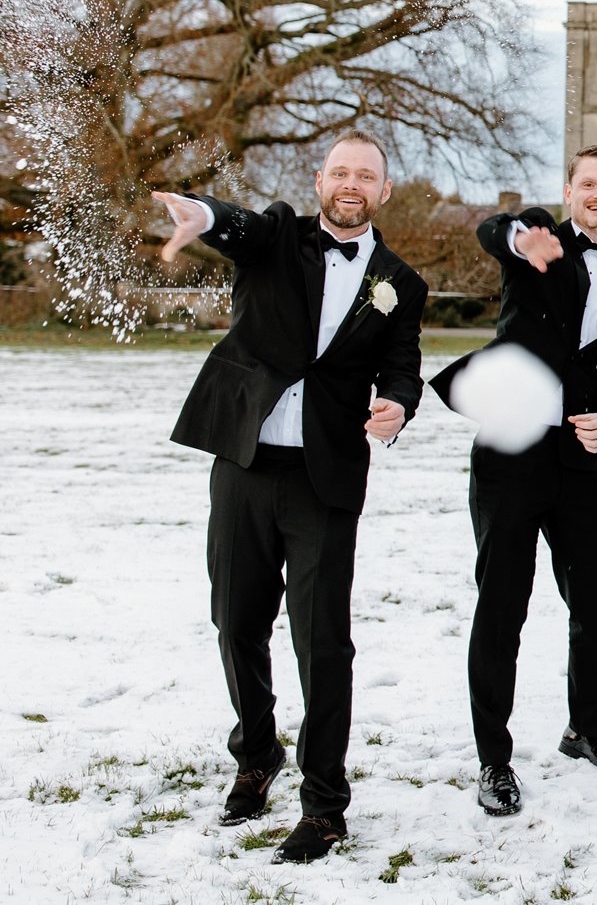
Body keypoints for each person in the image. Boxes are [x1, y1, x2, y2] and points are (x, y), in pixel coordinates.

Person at [154, 131, 426, 863]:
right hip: (244, 461)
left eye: (365, 176)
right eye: (340, 171)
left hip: (325, 478)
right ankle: (256, 754)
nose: (351, 184)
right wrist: (202, 217)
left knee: (322, 641)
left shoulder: (400, 281)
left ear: (383, 191)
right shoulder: (278, 237)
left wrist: (399, 405)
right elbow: (236, 225)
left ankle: (324, 806)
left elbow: (404, 369)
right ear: (319, 179)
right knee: (237, 620)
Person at [429, 145, 597, 817]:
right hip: (513, 454)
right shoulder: (535, 242)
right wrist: (518, 236)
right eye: (588, 183)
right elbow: (492, 230)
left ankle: (589, 730)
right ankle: (493, 761)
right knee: (503, 605)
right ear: (569, 189)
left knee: (596, 603)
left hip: (584, 464)